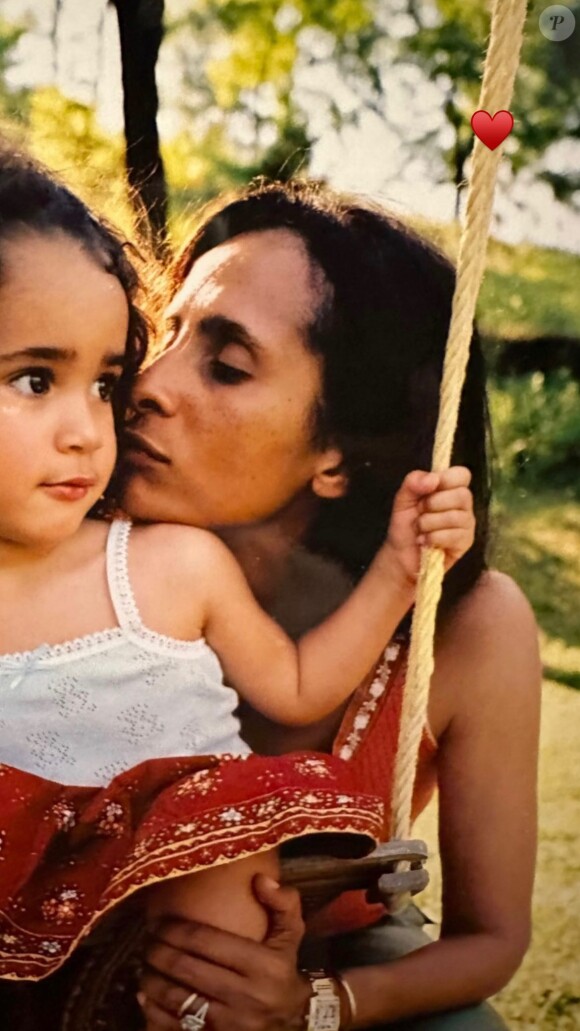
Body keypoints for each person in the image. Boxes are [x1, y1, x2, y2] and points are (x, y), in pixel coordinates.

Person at [0, 150, 475, 984]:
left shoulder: (170, 563)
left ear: (338, 452)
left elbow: (295, 685)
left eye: (104, 380)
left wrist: (400, 568)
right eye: (37, 379)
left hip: (184, 921)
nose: (100, 418)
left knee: (215, 867)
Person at [113, 182, 540, 1031]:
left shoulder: (460, 627)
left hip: (332, 962)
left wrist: (316, 1004)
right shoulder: (70, 553)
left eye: (227, 365)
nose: (147, 383)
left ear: (339, 457)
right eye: (165, 333)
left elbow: (491, 938)